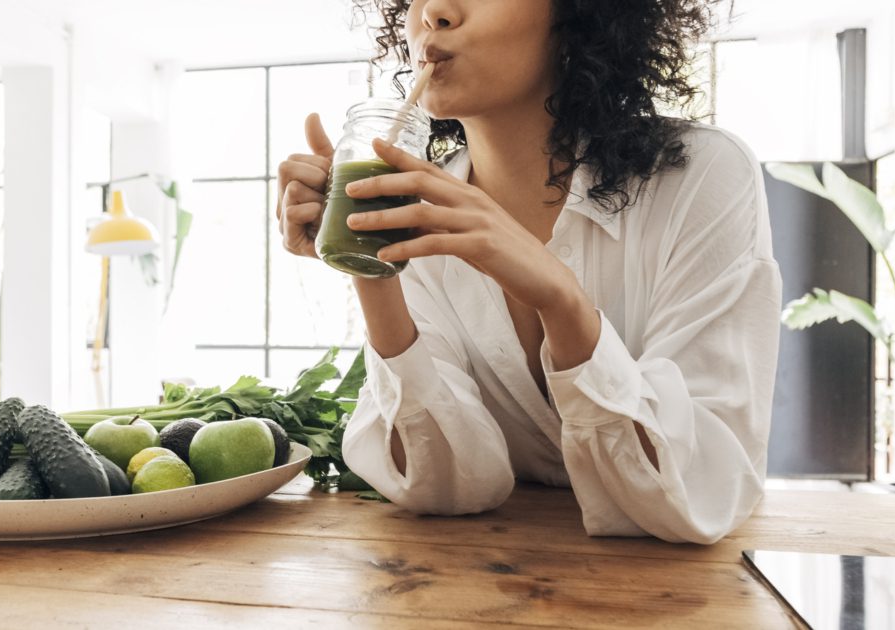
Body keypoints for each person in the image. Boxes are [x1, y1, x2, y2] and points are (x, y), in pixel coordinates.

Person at [275, 0, 781, 544]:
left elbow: (705, 490)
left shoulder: (699, 176)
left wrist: (561, 301)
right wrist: (368, 253)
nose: (435, 12)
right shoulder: (416, 209)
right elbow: (442, 488)